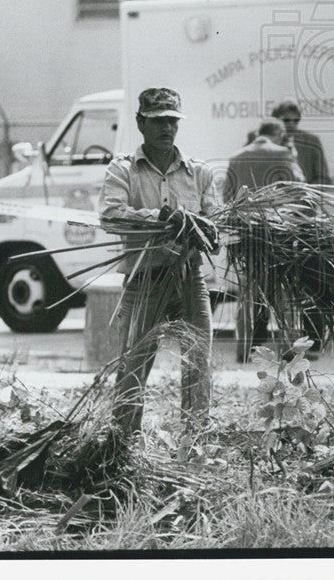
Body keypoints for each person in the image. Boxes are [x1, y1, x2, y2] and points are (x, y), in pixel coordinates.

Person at [99, 87, 219, 436]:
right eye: (158, 122)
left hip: (189, 277)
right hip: (144, 279)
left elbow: (216, 224)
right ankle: (123, 443)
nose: (166, 129)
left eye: (172, 121)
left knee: (198, 361)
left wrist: (205, 229)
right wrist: (164, 220)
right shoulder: (124, 170)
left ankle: (194, 443)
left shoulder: (198, 173)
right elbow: (112, 215)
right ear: (140, 123)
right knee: (134, 364)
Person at [223, 119, 305, 362]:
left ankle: (243, 349)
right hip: (279, 235)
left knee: (247, 295)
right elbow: (300, 190)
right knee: (285, 294)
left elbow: (227, 196)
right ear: (278, 134)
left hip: (246, 237)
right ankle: (289, 350)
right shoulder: (283, 154)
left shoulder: (237, 157)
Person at [271, 99, 331, 185]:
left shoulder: (312, 141)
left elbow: (323, 178)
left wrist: (306, 191)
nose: (291, 124)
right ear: (274, 120)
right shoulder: (263, 140)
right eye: (286, 120)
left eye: (296, 121)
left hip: (305, 196)